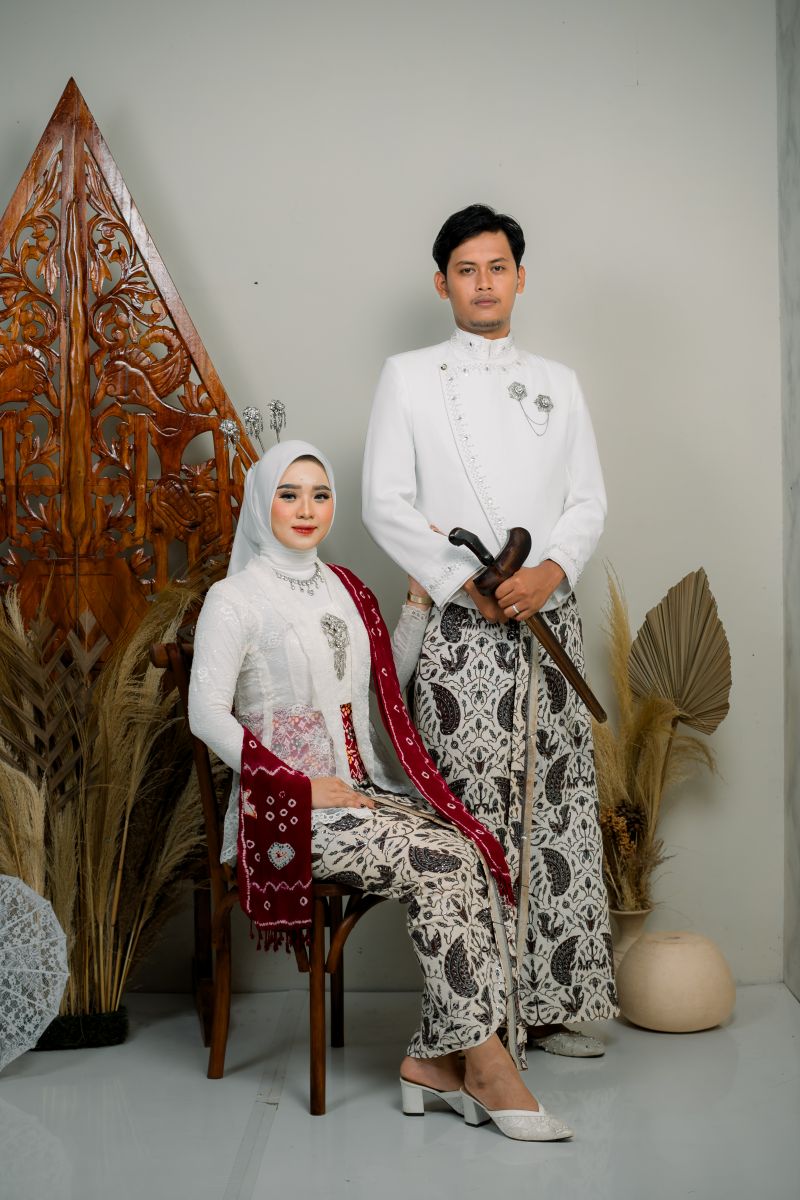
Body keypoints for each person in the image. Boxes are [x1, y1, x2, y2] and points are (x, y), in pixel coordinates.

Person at [188, 438, 573, 1140]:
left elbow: (383, 686)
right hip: (284, 811)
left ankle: (438, 1059)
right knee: (439, 861)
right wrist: (298, 787)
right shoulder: (233, 598)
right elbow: (205, 714)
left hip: (360, 791)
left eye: (320, 495)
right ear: (262, 502)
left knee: (468, 846)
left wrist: (417, 601)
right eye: (289, 494)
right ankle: (485, 1068)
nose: (307, 509)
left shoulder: (344, 588)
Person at [362, 204, 617, 1056]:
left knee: (555, 810)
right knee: (470, 817)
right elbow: (385, 502)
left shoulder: (559, 381)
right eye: (467, 270)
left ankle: (549, 1006)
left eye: (497, 267)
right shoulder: (408, 376)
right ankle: (478, 1025)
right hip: (459, 628)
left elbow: (587, 500)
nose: (483, 283)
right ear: (442, 284)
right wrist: (463, 584)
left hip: (548, 621)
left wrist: (553, 572)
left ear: (520, 277)